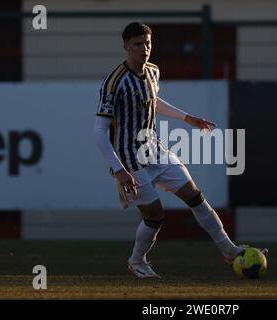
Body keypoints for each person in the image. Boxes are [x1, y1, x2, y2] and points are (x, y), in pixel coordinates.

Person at [93, 22, 265, 278]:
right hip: (131, 160)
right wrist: (119, 170)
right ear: (126, 46)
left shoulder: (152, 72)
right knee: (155, 217)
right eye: (138, 44)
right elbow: (99, 131)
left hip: (155, 150)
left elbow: (153, 100)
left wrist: (188, 118)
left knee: (195, 196)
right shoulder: (114, 82)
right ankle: (137, 260)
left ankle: (229, 250)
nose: (145, 48)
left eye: (148, 43)